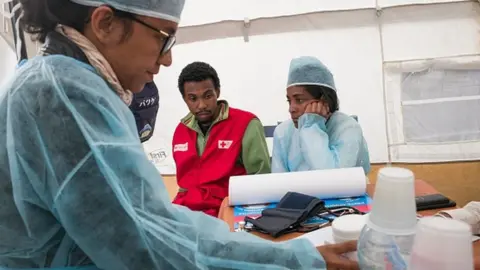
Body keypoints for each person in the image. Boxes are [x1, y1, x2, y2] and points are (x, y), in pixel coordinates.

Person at [0, 0, 360, 269]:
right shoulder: (62, 95)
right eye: (164, 39)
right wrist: (295, 261)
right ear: (105, 22)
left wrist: (292, 257)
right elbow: (146, 243)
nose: (168, 60)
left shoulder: (70, 86)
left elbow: (157, 223)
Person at [172, 61, 271, 217]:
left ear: (217, 92)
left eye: (208, 96)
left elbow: (260, 181)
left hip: (227, 210)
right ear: (185, 99)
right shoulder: (181, 131)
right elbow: (184, 187)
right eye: (193, 98)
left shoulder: (246, 123)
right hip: (186, 214)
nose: (202, 105)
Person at [271, 56, 371, 174]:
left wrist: (311, 126)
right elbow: (279, 182)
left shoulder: (348, 128)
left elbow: (334, 178)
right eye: (289, 101)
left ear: (324, 100)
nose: (291, 109)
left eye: (299, 100)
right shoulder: (283, 132)